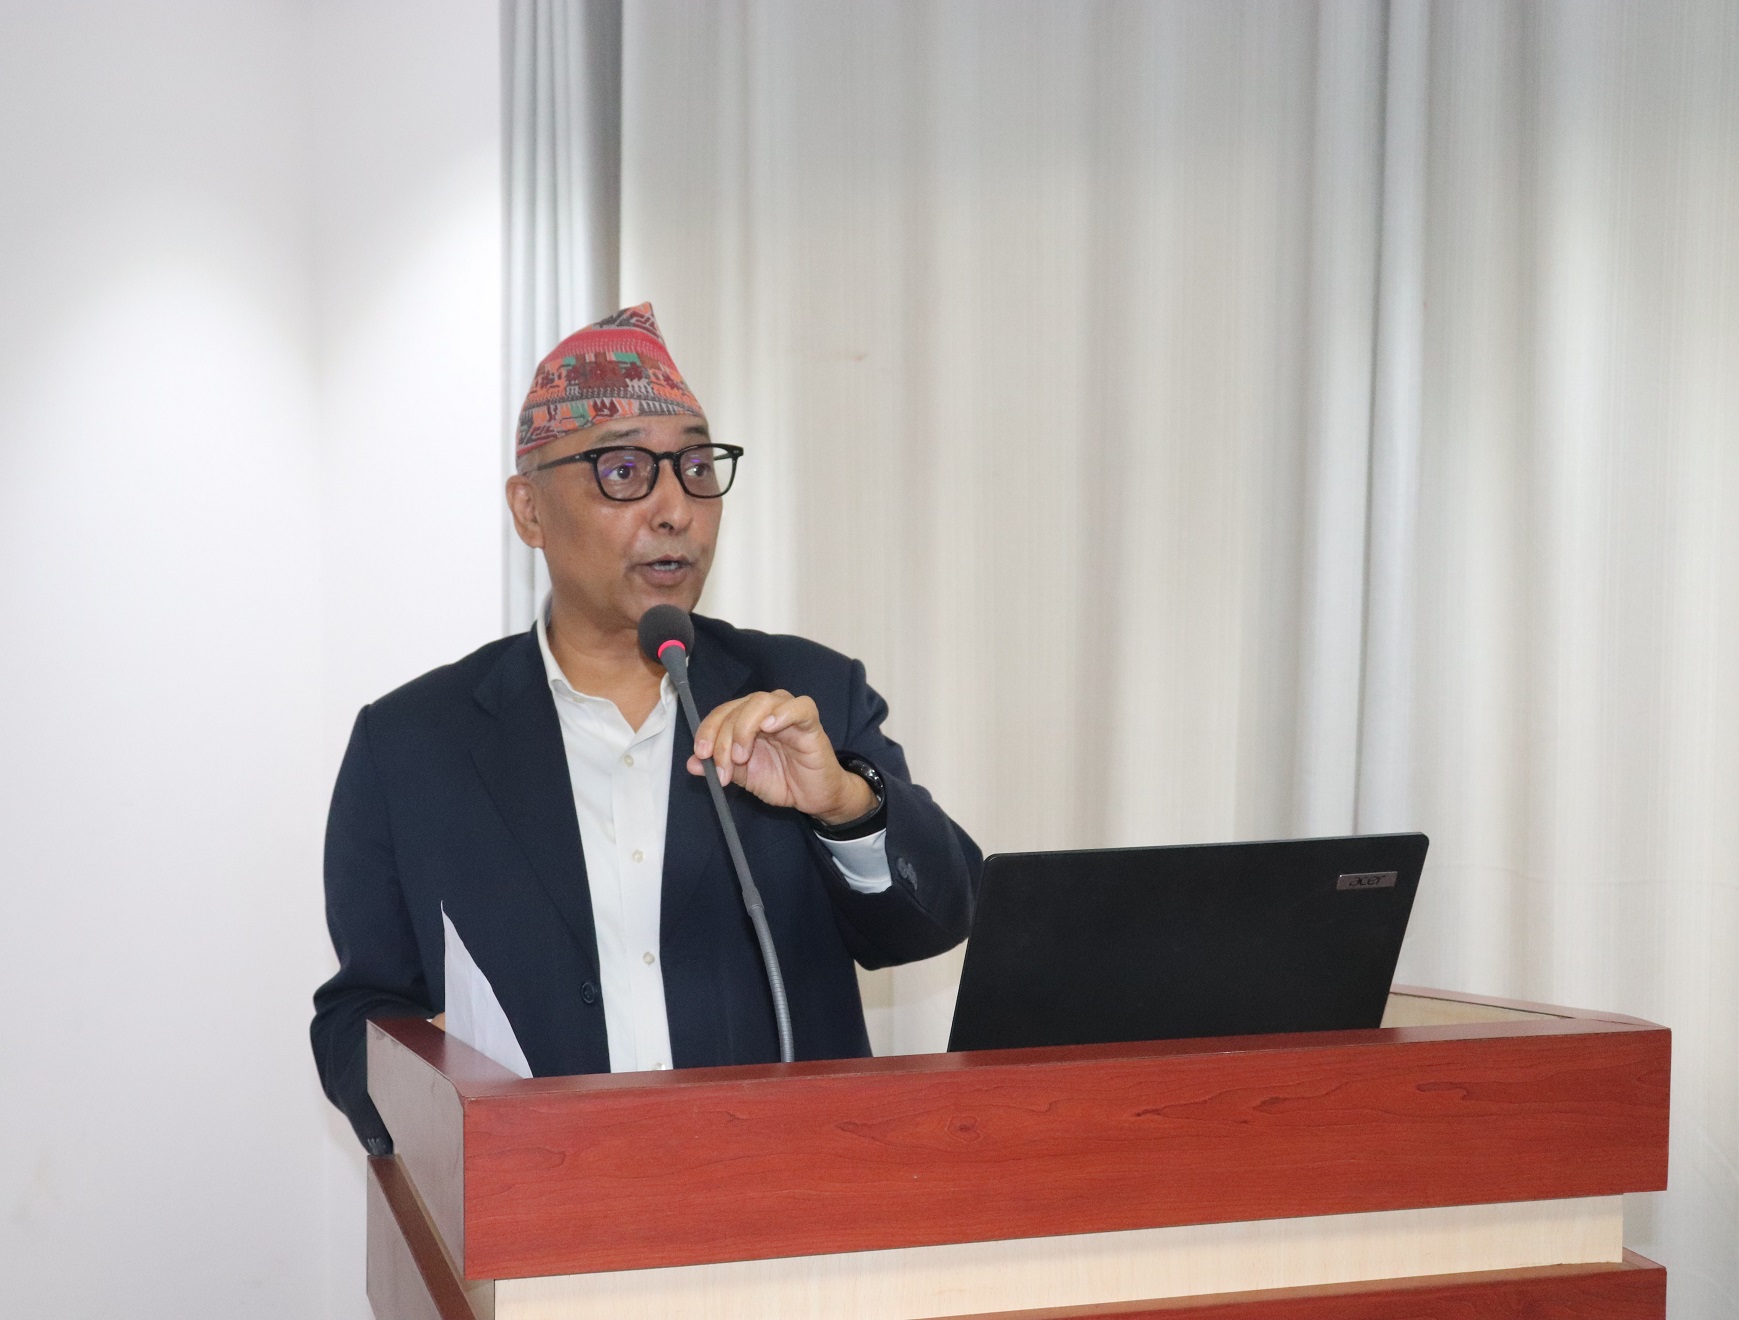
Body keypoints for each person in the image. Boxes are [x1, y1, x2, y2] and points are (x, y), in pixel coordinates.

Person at [311, 304, 981, 1153]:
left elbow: (935, 919)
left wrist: (846, 805)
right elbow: (360, 1013)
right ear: (528, 509)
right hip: (542, 1203)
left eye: (697, 467)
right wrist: (435, 1090)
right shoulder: (411, 744)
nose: (675, 509)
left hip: (791, 1192)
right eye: (624, 470)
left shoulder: (806, 693)